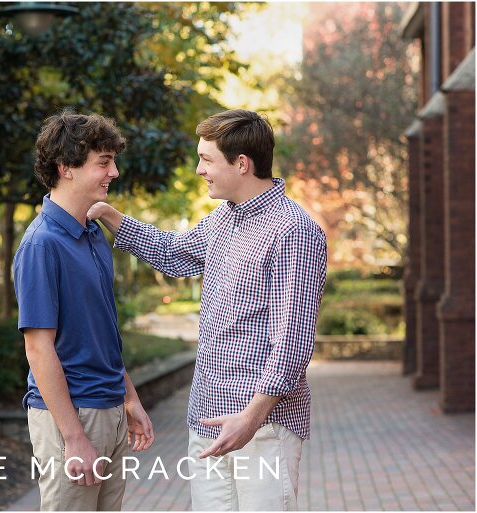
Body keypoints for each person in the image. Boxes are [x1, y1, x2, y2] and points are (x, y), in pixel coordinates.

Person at [87, 109, 327, 511]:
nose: (199, 170)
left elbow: (292, 344)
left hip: (262, 428)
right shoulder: (224, 219)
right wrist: (111, 216)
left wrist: (249, 420)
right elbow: (173, 252)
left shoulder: (293, 231)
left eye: (207, 159)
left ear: (242, 164)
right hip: (207, 420)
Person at [13, 110, 155, 511]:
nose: (114, 172)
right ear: (66, 168)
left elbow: (102, 332)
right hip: (71, 416)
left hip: (108, 409)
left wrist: (129, 400)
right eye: (104, 162)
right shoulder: (42, 245)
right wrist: (73, 436)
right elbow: (39, 350)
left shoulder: (94, 234)